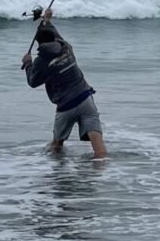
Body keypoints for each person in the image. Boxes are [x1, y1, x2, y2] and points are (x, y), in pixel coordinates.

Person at [22, 8, 108, 159]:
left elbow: (32, 82)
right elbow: (55, 34)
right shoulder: (66, 47)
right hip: (85, 99)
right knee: (99, 148)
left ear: (39, 44)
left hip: (65, 107)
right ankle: (100, 175)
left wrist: (28, 64)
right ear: (54, 39)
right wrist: (47, 21)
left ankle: (59, 175)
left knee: (56, 146)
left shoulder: (41, 62)